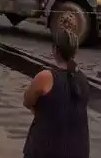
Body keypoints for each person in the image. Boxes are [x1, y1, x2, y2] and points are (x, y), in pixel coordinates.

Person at [22, 29, 89, 158]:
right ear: (75, 51)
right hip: (78, 150)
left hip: (45, 149)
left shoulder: (46, 77)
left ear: (54, 50)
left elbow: (27, 101)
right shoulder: (82, 79)